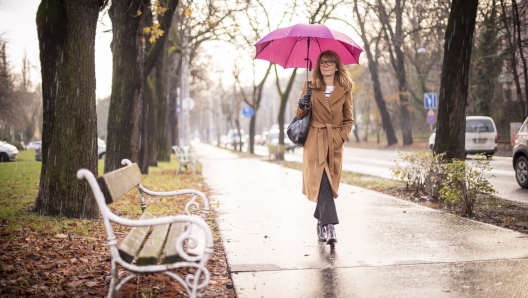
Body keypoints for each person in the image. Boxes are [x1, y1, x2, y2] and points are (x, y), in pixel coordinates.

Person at [294, 50, 355, 246]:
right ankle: (330, 227)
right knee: (322, 182)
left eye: (330, 62)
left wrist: (340, 138)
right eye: (322, 62)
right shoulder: (310, 87)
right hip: (314, 141)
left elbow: (348, 119)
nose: (326, 65)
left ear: (337, 66)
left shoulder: (346, 89)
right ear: (318, 66)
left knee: (328, 183)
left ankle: (320, 219)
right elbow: (299, 115)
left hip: (333, 142)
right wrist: (302, 105)